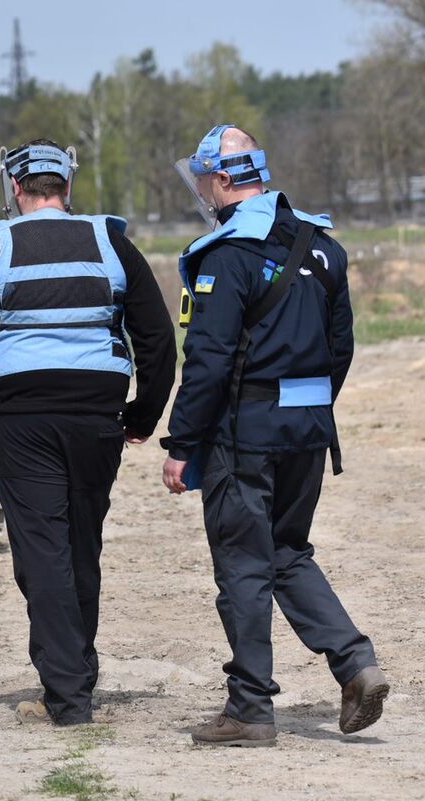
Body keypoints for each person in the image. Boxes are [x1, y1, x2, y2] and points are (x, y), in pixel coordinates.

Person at [0, 139, 176, 726]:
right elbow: (159, 340)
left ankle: (67, 699)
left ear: (16, 187)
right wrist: (143, 416)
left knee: (42, 554)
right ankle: (76, 675)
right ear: (67, 186)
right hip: (98, 421)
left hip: (25, 419)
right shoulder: (111, 241)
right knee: (80, 547)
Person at [161, 125, 387, 746]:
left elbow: (206, 358)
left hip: (246, 435)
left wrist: (182, 445)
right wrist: (305, 409)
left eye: (204, 179)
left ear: (222, 178)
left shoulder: (227, 254)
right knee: (287, 550)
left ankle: (249, 710)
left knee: (243, 566)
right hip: (309, 431)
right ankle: (355, 663)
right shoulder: (324, 248)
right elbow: (340, 348)